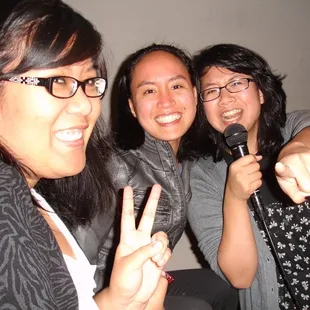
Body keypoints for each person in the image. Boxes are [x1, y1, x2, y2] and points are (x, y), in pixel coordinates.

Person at [0, 1, 171, 309]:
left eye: (89, 82)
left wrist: (118, 298)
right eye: (58, 81)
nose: (86, 105)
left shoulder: (33, 197)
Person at [96, 43, 239, 310]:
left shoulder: (186, 162)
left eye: (176, 86)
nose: (166, 101)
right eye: (149, 90)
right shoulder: (111, 164)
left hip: (148, 279)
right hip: (102, 291)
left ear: (195, 95)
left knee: (226, 289)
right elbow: (68, 264)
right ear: (132, 106)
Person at [186, 43, 310, 310]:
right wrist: (234, 196)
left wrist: (300, 148)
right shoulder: (202, 176)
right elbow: (240, 277)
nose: (225, 98)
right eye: (211, 91)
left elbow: (307, 126)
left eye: (237, 83)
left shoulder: (293, 130)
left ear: (262, 92)